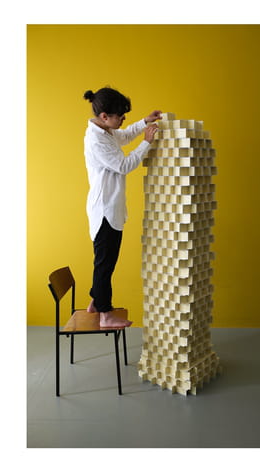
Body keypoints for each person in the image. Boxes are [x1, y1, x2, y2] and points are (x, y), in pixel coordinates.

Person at [83, 87, 160, 328]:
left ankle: (96, 302)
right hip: (104, 209)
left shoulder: (106, 131)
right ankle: (105, 315)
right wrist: (146, 143)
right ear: (105, 116)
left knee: (106, 261)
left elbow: (124, 136)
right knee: (105, 264)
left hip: (111, 206)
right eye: (120, 116)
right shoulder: (96, 140)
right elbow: (124, 165)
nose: (123, 119)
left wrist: (144, 122)